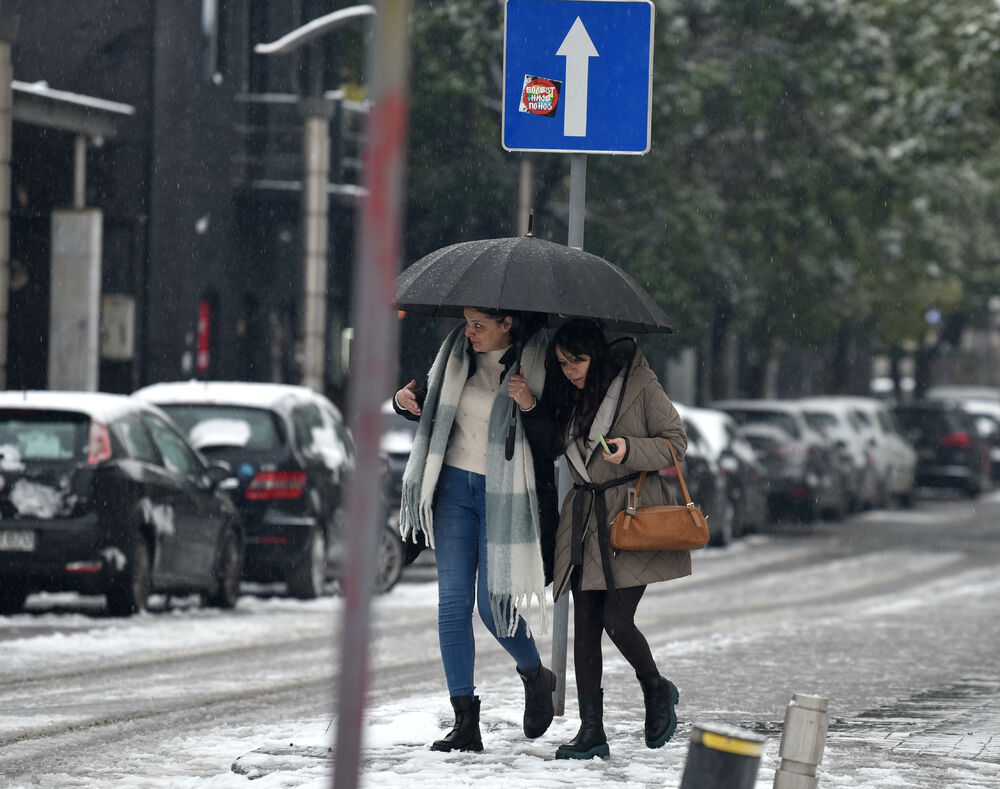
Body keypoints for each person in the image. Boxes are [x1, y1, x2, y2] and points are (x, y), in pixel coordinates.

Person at [394, 307, 559, 753]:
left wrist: (529, 404)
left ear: (507, 324)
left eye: (479, 324)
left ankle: (535, 674)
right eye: (467, 322)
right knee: (452, 605)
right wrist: (401, 402)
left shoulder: (538, 362)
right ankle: (465, 721)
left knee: (492, 606)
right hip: (451, 490)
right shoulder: (453, 356)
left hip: (503, 494)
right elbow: (426, 406)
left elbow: (553, 441)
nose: (469, 332)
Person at [525, 317, 689, 760]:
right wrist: (528, 405)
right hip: (582, 516)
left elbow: (676, 442)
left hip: (629, 516)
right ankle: (591, 730)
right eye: (562, 362)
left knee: (618, 619)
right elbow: (551, 446)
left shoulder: (638, 383)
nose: (570, 369)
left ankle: (657, 689)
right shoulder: (565, 392)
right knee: (585, 627)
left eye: (577, 360)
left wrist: (629, 448)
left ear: (595, 355)